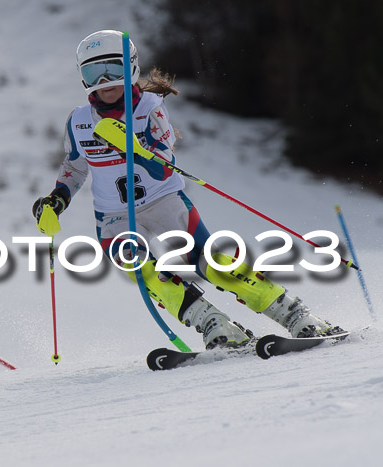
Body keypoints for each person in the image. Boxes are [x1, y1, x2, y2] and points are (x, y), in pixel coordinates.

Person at [32, 30, 343, 350]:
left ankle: (293, 314)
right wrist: (57, 200)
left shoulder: (148, 108)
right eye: (93, 72)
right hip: (113, 215)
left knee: (207, 261)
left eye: (114, 69)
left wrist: (133, 148)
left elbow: (165, 163)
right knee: (141, 272)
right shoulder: (78, 121)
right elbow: (74, 168)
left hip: (163, 200)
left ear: (132, 68)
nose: (105, 81)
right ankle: (216, 325)